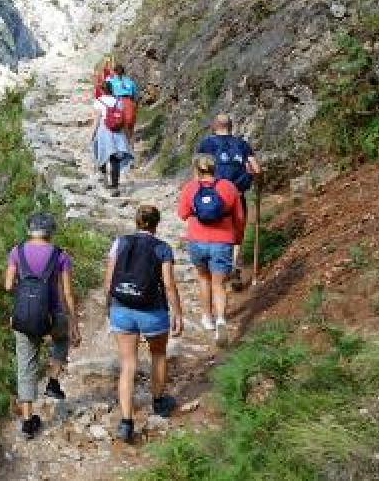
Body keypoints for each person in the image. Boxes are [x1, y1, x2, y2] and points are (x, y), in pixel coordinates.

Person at [104, 205, 184, 444]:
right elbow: (169, 285)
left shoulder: (120, 242)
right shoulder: (162, 248)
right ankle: (159, 402)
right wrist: (178, 313)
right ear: (156, 224)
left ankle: (126, 422)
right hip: (152, 312)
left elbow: (109, 278)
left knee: (128, 364)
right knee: (158, 355)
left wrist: (108, 305)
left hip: (122, 308)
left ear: (136, 222)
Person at [4, 212, 82, 439]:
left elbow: (9, 285)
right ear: (51, 232)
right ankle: (53, 381)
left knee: (25, 366)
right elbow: (67, 292)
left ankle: (28, 423)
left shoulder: (16, 252)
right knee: (62, 338)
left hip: (24, 317)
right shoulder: (60, 255)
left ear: (30, 230)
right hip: (53, 315)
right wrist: (74, 323)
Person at [177, 153, 245, 344]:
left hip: (197, 240)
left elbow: (182, 214)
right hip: (222, 241)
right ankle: (221, 319)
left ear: (196, 169)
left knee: (203, 278)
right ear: (215, 168)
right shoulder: (228, 187)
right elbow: (239, 218)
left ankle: (207, 318)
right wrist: (238, 238)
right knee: (219, 284)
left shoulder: (191, 188)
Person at [197, 115, 261, 286]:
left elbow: (198, 171)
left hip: (213, 196)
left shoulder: (207, 144)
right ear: (231, 127)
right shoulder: (242, 144)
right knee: (237, 232)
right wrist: (250, 175)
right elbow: (257, 169)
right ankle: (234, 268)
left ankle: (216, 268)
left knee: (216, 229)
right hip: (237, 196)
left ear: (214, 126)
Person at [92, 80, 134, 195]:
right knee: (115, 159)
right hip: (117, 132)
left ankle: (104, 180)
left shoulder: (98, 101)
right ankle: (115, 185)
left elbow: (97, 119)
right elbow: (123, 119)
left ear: (102, 90)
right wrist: (127, 135)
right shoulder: (118, 101)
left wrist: (92, 133)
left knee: (101, 154)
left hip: (103, 131)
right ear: (111, 89)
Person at [105, 63, 140, 141]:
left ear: (115, 72)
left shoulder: (111, 81)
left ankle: (120, 142)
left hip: (117, 101)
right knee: (130, 122)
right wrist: (136, 107)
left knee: (118, 121)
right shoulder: (130, 81)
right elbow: (136, 96)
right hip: (129, 101)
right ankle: (129, 141)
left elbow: (107, 92)